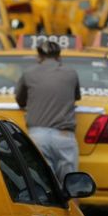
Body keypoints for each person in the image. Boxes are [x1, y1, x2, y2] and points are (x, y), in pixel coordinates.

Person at [15, 40, 81, 182]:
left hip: (37, 137)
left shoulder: (28, 74)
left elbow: (20, 100)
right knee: (72, 186)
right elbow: (76, 97)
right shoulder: (71, 73)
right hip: (64, 136)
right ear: (59, 56)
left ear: (39, 56)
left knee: (43, 186)